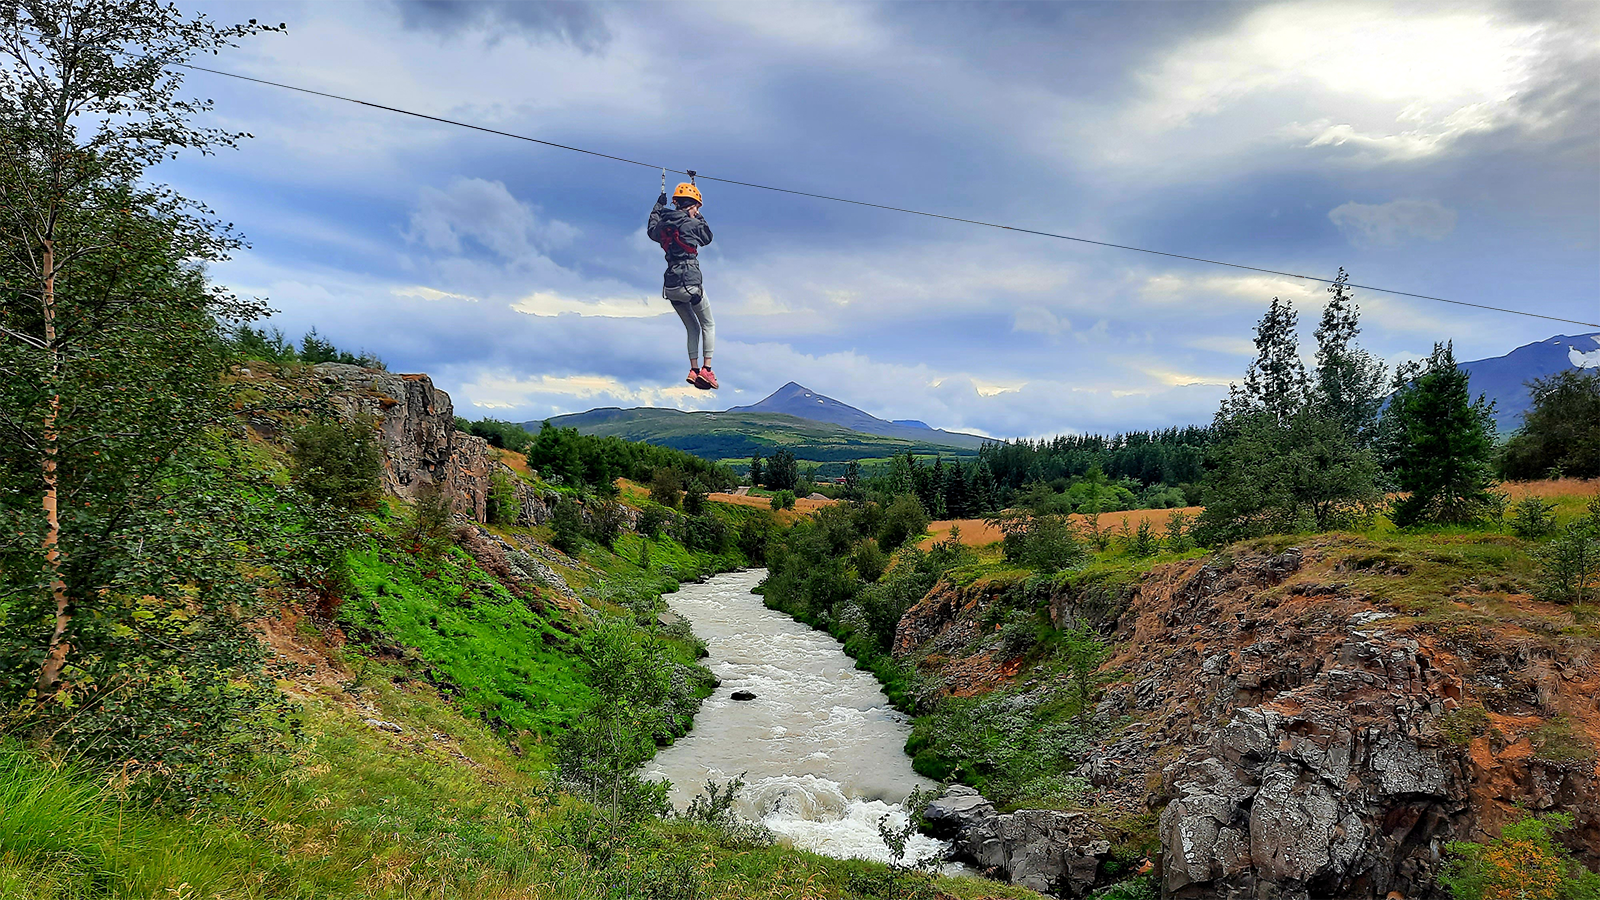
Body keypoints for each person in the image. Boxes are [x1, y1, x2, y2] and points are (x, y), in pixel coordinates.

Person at [648, 179, 717, 389]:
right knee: (708, 324)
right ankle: (707, 370)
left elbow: (651, 228)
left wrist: (658, 205)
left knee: (692, 327)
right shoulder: (692, 223)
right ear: (692, 205)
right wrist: (698, 215)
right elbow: (707, 237)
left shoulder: (662, 225)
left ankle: (693, 370)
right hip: (690, 282)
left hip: (671, 286)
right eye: (696, 207)